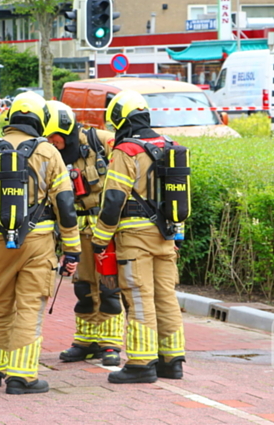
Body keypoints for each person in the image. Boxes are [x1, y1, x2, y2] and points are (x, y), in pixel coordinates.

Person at [0, 91, 81, 395]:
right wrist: (72, 248)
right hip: (37, 243)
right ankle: (22, 376)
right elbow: (65, 205)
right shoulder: (49, 153)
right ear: (40, 120)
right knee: (29, 306)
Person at [91, 90, 186, 384]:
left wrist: (99, 238)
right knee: (166, 296)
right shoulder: (170, 146)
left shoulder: (126, 150)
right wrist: (176, 234)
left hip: (134, 237)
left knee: (140, 297)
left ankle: (141, 363)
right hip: (166, 235)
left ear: (119, 118)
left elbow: (113, 200)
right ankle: (172, 361)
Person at [43, 100, 122, 367]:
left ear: (66, 130)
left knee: (109, 287)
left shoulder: (102, 141)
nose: (52, 142)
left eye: (55, 137)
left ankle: (110, 344)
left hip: (107, 232)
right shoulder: (52, 154)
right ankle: (85, 342)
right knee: (83, 288)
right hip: (78, 232)